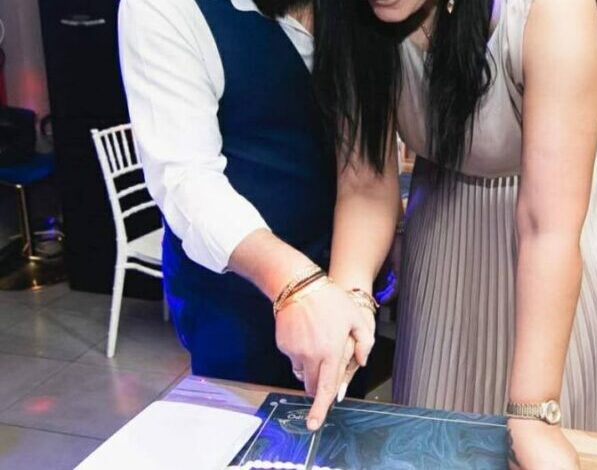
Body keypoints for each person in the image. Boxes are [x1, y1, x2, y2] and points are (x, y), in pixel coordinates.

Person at [315, 0, 597, 466]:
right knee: (435, 408)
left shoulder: (551, 9)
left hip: (558, 219)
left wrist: (534, 414)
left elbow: (546, 229)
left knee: (543, 436)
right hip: (445, 210)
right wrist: (350, 303)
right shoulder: (348, 16)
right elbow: (364, 186)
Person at [118, 0, 399, 430]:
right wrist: (296, 284)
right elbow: (186, 179)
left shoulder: (362, 11)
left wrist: (349, 302)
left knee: (336, 433)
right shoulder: (164, 7)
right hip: (234, 300)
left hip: (342, 272)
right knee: (245, 437)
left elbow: (365, 175)